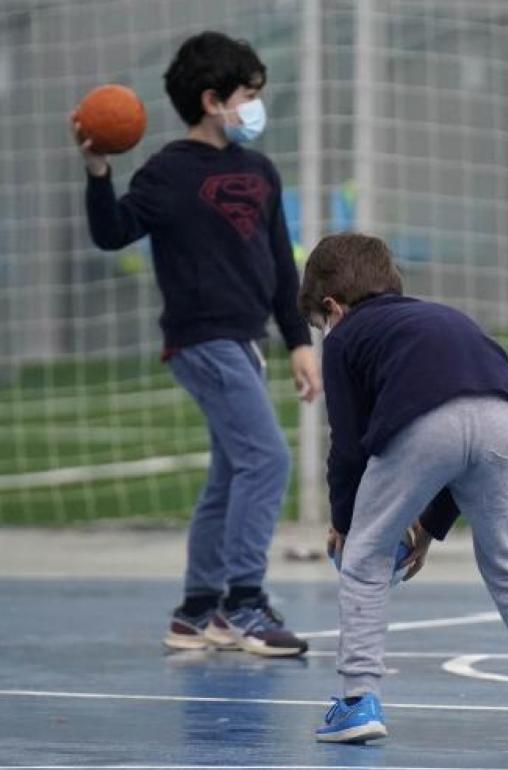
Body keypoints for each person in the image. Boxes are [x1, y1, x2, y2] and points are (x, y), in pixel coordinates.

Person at [298, 233, 508, 744]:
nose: (324, 330)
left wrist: (342, 520)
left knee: (365, 557)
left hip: (428, 422)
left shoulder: (346, 336)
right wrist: (428, 527)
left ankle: (357, 701)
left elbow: (351, 444)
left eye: (320, 322)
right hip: (503, 415)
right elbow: (462, 430)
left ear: (332, 306)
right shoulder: (437, 315)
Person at [74, 31, 319, 657]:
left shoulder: (260, 170)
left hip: (245, 342)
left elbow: (279, 264)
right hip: (199, 341)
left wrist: (298, 340)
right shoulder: (166, 173)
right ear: (212, 100)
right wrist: (99, 172)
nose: (255, 107)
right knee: (267, 461)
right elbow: (112, 233)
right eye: (248, 96)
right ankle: (242, 605)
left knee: (230, 474)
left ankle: (196, 611)